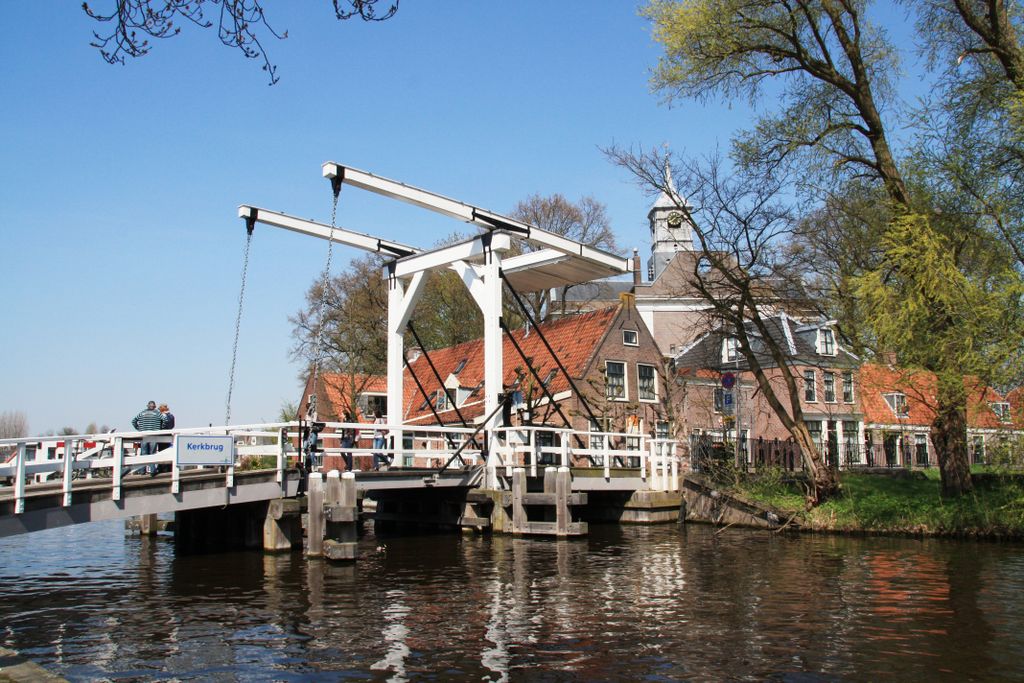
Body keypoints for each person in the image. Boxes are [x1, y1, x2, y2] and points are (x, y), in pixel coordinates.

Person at [131, 400, 163, 476]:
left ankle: (142, 471)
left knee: (144, 453)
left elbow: (133, 421)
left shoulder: (142, 413)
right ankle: (152, 471)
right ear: (154, 407)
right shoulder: (157, 413)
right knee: (152, 453)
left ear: (147, 406)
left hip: (144, 435)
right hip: (153, 436)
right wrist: (160, 428)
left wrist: (139, 429)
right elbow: (165, 420)